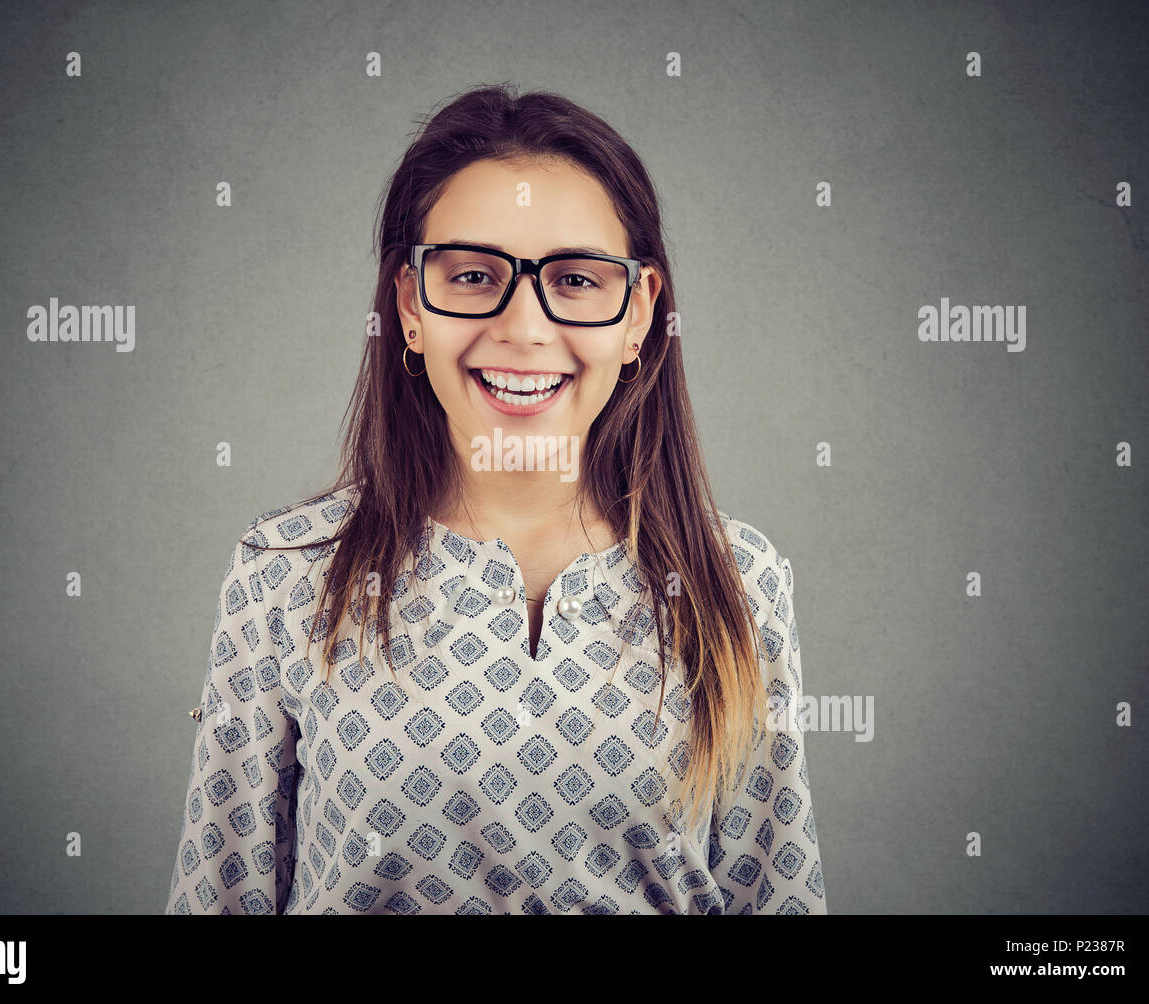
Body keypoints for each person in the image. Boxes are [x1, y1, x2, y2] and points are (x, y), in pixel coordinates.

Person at [164, 83, 825, 915]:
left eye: (577, 279)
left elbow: (776, 893)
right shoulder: (284, 576)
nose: (523, 326)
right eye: (474, 274)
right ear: (409, 306)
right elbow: (217, 897)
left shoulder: (737, 579)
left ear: (639, 315)